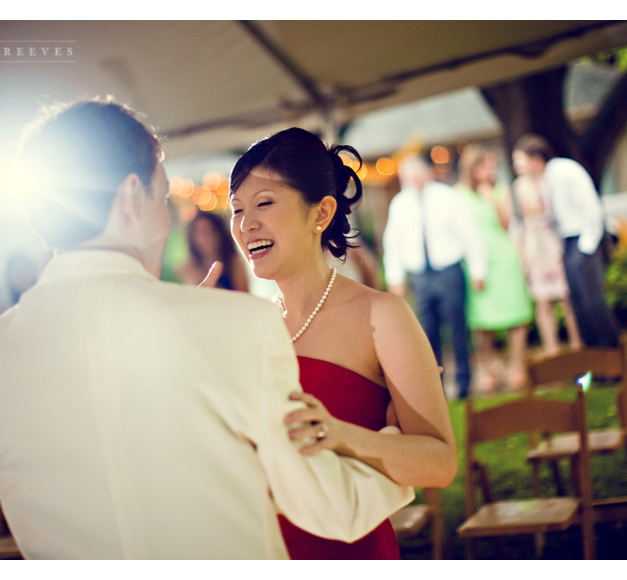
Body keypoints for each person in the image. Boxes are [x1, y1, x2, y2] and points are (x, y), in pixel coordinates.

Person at [0, 99, 413, 560]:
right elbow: (331, 507)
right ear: (130, 199)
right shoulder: (236, 325)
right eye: (162, 195)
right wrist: (391, 438)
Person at [230, 128, 457, 559]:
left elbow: (440, 463)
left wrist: (339, 436)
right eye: (237, 209)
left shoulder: (381, 315)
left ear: (321, 213)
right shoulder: (245, 326)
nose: (245, 224)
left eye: (264, 203)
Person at [382, 151, 487, 400]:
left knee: (458, 329)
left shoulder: (447, 197)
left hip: (448, 270)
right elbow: (393, 242)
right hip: (420, 275)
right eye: (409, 177)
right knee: (427, 334)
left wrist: (477, 269)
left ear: (426, 174)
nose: (414, 181)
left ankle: (464, 383)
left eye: (418, 175)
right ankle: (435, 386)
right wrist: (395, 277)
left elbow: (469, 234)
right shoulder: (400, 203)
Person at [512, 135, 620, 348]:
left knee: (593, 303)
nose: (517, 166)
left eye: (521, 160)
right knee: (580, 305)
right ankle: (594, 365)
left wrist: (586, 248)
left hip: (582, 240)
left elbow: (592, 208)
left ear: (536, 158)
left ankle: (613, 358)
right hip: (568, 241)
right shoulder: (546, 179)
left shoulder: (564, 171)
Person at [456, 145, 533, 392]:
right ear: (472, 168)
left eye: (492, 164)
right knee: (482, 321)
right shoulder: (459, 195)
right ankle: (488, 367)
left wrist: (491, 199)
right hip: (478, 262)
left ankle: (517, 367)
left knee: (515, 315)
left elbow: (505, 224)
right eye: (485, 165)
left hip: (503, 258)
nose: (491, 169)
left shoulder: (501, 190)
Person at [512, 174, 582, 355]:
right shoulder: (520, 185)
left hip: (554, 242)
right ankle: (552, 350)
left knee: (567, 299)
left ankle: (578, 347)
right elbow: (525, 221)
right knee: (543, 302)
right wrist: (524, 254)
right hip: (535, 247)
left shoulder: (550, 179)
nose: (516, 166)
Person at [177, 211, 249, 291]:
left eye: (210, 230)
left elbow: (243, 296)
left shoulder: (234, 262)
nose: (206, 237)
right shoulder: (188, 267)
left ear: (220, 233)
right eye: (200, 232)